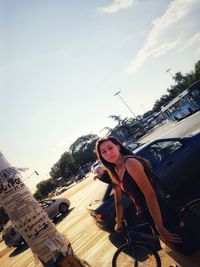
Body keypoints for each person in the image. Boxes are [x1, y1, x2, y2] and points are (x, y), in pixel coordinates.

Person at [95, 136, 181, 245]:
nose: (108, 153)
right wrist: (119, 220)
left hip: (160, 211)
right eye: (103, 152)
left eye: (110, 148)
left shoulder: (130, 163)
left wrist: (160, 227)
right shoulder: (116, 170)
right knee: (173, 249)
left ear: (118, 146)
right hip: (146, 213)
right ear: (101, 156)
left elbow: (150, 194)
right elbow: (119, 200)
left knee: (186, 248)